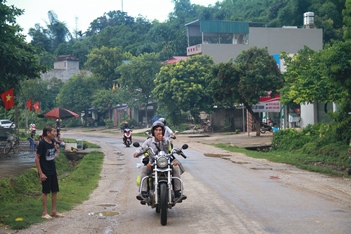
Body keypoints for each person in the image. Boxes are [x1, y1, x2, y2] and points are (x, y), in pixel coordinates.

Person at [133, 121, 186, 201]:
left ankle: (178, 191)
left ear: (163, 131)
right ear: (153, 131)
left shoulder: (166, 140)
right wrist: (137, 152)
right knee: (144, 169)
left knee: (176, 168)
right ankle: (143, 192)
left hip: (166, 163)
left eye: (160, 130)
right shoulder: (149, 141)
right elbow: (142, 148)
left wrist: (163, 139)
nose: (158, 132)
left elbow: (166, 145)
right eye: (156, 130)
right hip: (152, 163)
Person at [35, 125, 64, 219]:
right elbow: (37, 158)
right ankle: (44, 213)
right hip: (45, 171)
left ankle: (54, 211)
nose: (55, 133)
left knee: (55, 190)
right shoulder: (42, 143)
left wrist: (56, 148)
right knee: (45, 192)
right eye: (53, 132)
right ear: (48, 133)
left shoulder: (53, 142)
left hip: (52, 170)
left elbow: (52, 154)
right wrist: (41, 173)